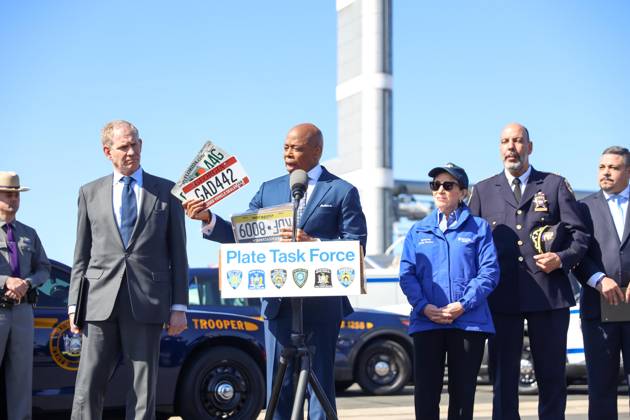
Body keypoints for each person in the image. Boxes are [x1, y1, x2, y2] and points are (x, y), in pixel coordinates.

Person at [183, 122, 367, 420]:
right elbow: (241, 233)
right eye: (285, 147)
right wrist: (207, 218)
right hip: (277, 305)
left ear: (317, 150)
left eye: (296, 147)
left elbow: (356, 244)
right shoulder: (269, 190)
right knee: (278, 388)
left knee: (319, 384)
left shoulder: (341, 192)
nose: (288, 153)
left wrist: (314, 243)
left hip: (321, 307)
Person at [67, 120, 188, 420]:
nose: (131, 151)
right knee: (88, 384)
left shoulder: (168, 192)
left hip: (148, 301)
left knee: (143, 389)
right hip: (98, 302)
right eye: (124, 146)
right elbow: (81, 254)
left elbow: (179, 253)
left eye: (135, 144)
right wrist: (74, 305)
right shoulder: (89, 192)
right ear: (107, 151)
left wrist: (179, 306)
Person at [468, 122, 590, 420]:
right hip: (502, 298)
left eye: (518, 141)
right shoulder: (483, 190)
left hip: (549, 297)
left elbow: (580, 236)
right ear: (499, 148)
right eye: (505, 141)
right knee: (503, 380)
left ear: (530, 147)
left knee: (551, 378)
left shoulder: (554, 185)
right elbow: (471, 245)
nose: (511, 147)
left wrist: (561, 259)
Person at [399, 163, 499, 420]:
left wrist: (462, 305)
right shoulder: (417, 230)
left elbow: (489, 273)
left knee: (463, 396)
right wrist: (424, 306)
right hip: (426, 322)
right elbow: (407, 274)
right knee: (425, 395)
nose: (440, 190)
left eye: (448, 185)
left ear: (463, 192)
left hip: (468, 322)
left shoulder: (479, 228)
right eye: (435, 185)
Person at [573, 146, 630, 420]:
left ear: (628, 172)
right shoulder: (582, 208)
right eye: (602, 167)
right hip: (598, 307)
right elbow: (576, 253)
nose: (606, 172)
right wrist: (600, 279)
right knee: (601, 387)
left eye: (614, 167)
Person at [0, 171, 50, 420]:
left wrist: (27, 283)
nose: (13, 199)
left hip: (22, 311)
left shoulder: (28, 233)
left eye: (17, 194)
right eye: (8, 194)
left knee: (21, 377)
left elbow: (45, 268)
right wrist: (6, 281)